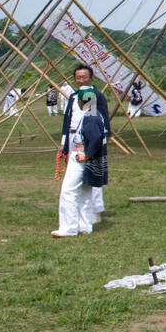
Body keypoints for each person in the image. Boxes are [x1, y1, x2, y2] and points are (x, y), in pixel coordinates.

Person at [52, 86, 107, 237]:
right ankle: (85, 225)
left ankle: (69, 228)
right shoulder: (94, 114)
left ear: (81, 102)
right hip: (85, 158)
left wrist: (87, 155)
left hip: (81, 158)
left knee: (68, 192)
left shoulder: (91, 117)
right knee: (84, 193)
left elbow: (95, 138)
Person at [61, 64, 111, 224]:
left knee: (92, 173)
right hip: (73, 137)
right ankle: (76, 212)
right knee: (75, 176)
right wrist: (63, 142)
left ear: (91, 78)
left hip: (90, 139)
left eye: (84, 77)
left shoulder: (97, 95)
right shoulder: (74, 96)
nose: (81, 80)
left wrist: (101, 141)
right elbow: (67, 119)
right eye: (78, 77)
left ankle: (95, 210)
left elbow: (103, 119)